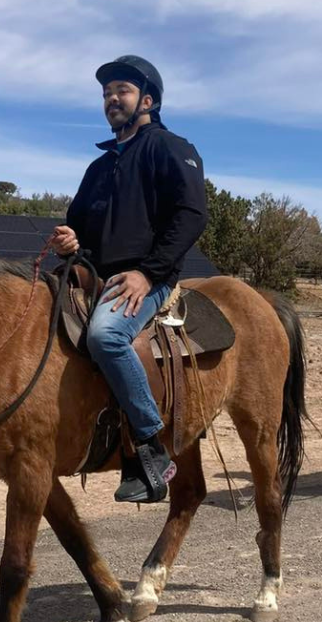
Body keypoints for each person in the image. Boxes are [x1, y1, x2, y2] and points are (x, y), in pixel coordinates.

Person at [47, 55, 208, 503]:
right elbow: (80, 224)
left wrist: (148, 272)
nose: (111, 99)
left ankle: (149, 446)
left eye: (121, 90)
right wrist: (70, 243)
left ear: (148, 100)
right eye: (105, 93)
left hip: (147, 277)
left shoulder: (172, 148)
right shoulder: (100, 166)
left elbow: (192, 216)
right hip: (96, 272)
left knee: (106, 335)